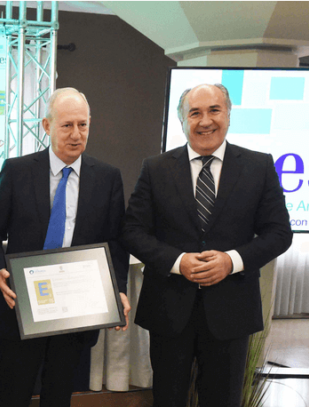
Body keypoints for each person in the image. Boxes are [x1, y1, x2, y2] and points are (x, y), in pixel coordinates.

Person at [122, 83, 292, 407]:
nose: (205, 121)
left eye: (214, 110)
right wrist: (178, 262)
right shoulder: (155, 168)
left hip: (232, 311)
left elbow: (280, 233)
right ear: (182, 120)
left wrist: (232, 261)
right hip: (169, 310)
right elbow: (132, 231)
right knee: (168, 400)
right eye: (195, 113)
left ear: (228, 114)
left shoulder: (258, 167)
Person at [0, 88, 130, 407]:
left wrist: (118, 289)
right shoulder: (17, 171)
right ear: (47, 126)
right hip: (21, 307)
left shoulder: (107, 178)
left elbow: (116, 243)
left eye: (83, 125)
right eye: (67, 125)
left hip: (76, 311)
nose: (76, 134)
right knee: (14, 396)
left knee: (59, 396)